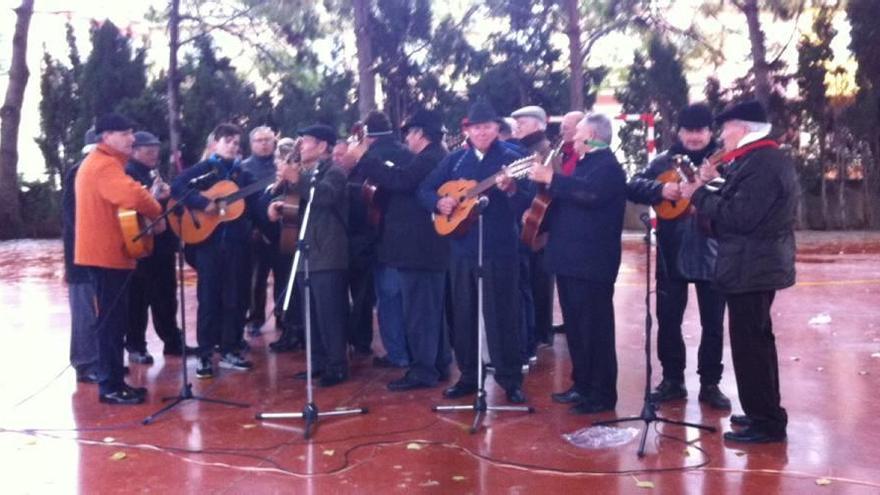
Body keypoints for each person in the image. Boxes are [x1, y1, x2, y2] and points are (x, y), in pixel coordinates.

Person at [680, 100, 797, 443]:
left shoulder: (762, 162)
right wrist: (715, 184)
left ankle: (768, 422)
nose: (722, 136)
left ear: (742, 129)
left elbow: (740, 216)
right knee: (754, 343)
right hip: (751, 264)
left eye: (726, 128)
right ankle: (763, 412)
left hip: (753, 267)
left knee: (752, 345)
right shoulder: (759, 160)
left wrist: (698, 194)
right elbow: (738, 203)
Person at [418, 100, 530, 404]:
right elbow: (425, 189)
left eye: (487, 126)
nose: (481, 132)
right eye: (476, 127)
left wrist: (510, 190)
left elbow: (527, 202)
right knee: (464, 313)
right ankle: (468, 375)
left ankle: (510, 379)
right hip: (462, 248)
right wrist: (438, 204)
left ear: (496, 128)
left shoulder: (514, 158)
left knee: (502, 313)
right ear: (468, 130)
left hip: (499, 247)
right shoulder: (455, 160)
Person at [627, 103, 731, 410]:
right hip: (671, 254)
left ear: (710, 133)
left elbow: (739, 195)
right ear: (679, 132)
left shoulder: (725, 162)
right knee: (668, 320)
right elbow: (633, 186)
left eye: (700, 131)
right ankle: (672, 379)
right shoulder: (663, 161)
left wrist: (711, 186)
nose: (695, 137)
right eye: (689, 131)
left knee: (713, 323)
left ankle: (710, 383)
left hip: (713, 253)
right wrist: (662, 191)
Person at [533, 113, 626, 414]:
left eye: (579, 134)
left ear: (593, 136)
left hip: (592, 264)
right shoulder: (584, 163)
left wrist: (552, 178)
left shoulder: (608, 167)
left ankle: (601, 393)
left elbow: (589, 194)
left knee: (594, 328)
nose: (572, 138)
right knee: (575, 327)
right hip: (570, 260)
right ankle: (582, 384)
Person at [74, 113, 164, 404]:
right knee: (112, 323)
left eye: (131, 132)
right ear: (106, 137)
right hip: (106, 254)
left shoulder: (105, 163)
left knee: (113, 321)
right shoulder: (104, 165)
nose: (132, 138)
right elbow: (133, 195)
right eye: (124, 133)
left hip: (108, 253)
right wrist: (156, 213)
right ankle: (111, 387)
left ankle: (113, 381)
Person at [362, 109, 451, 390]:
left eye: (410, 133)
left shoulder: (429, 159)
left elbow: (400, 180)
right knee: (430, 310)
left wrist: (365, 158)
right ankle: (438, 363)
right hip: (424, 249)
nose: (407, 139)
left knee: (420, 312)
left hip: (419, 249)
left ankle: (423, 370)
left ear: (421, 134)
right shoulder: (432, 157)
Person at [170, 123, 258, 379]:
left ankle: (230, 349)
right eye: (227, 140)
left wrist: (272, 204)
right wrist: (202, 202)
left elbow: (257, 203)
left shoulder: (244, 175)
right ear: (215, 144)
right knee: (208, 299)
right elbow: (178, 185)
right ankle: (205, 354)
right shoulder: (205, 169)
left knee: (236, 299)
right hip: (208, 245)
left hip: (237, 246)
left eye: (236, 142)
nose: (233, 145)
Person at [266, 125, 351, 387]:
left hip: (328, 252)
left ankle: (337, 365)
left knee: (330, 313)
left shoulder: (335, 172)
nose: (301, 145)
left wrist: (296, 180)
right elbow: (292, 200)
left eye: (308, 141)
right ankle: (318, 362)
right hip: (304, 252)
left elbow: (322, 197)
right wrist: (276, 205)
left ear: (323, 146)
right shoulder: (303, 172)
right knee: (310, 313)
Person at [346, 110, 416, 369]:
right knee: (406, 297)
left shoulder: (370, 158)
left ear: (367, 135)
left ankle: (397, 353)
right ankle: (412, 349)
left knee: (388, 298)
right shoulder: (407, 153)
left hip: (381, 235)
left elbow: (361, 196)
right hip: (408, 235)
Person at [123, 131, 190, 364]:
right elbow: (130, 205)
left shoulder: (153, 172)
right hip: (141, 244)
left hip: (162, 243)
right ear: (134, 150)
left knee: (167, 296)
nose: (153, 153)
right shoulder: (128, 172)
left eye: (155, 149)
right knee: (138, 299)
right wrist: (154, 196)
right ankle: (135, 345)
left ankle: (172, 340)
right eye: (147, 149)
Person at [63, 129, 99, 384]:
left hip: (93, 254)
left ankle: (99, 360)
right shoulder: (80, 172)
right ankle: (85, 363)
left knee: (96, 309)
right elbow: (74, 218)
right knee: (85, 311)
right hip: (82, 257)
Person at [240, 126, 278, 337]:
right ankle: (255, 318)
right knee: (256, 279)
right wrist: (252, 227)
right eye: (259, 140)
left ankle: (284, 316)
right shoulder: (243, 168)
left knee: (283, 275)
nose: (264, 144)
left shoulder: (282, 164)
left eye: (267, 140)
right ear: (252, 144)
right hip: (255, 233)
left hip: (282, 229)